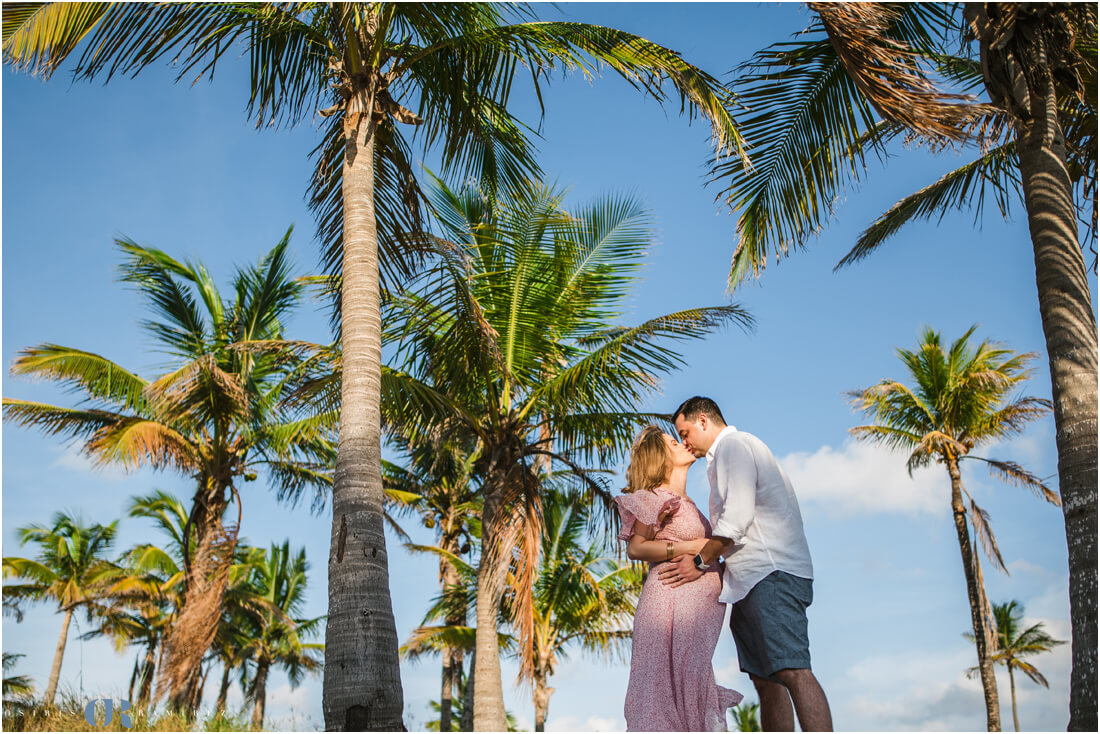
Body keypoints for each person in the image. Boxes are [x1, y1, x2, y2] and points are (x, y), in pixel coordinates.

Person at [661, 396, 833, 732]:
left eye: (685, 433)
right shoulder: (723, 456)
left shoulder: (734, 447)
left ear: (703, 420)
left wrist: (698, 561)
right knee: (767, 680)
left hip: (771, 574)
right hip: (748, 582)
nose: (684, 442)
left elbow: (736, 517)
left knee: (792, 670)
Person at [614, 425, 742, 732]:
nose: (684, 443)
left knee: (691, 679)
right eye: (675, 442)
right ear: (661, 455)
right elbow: (636, 547)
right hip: (668, 606)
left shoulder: (691, 504)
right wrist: (690, 547)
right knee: (662, 687)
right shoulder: (656, 497)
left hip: (697, 615)